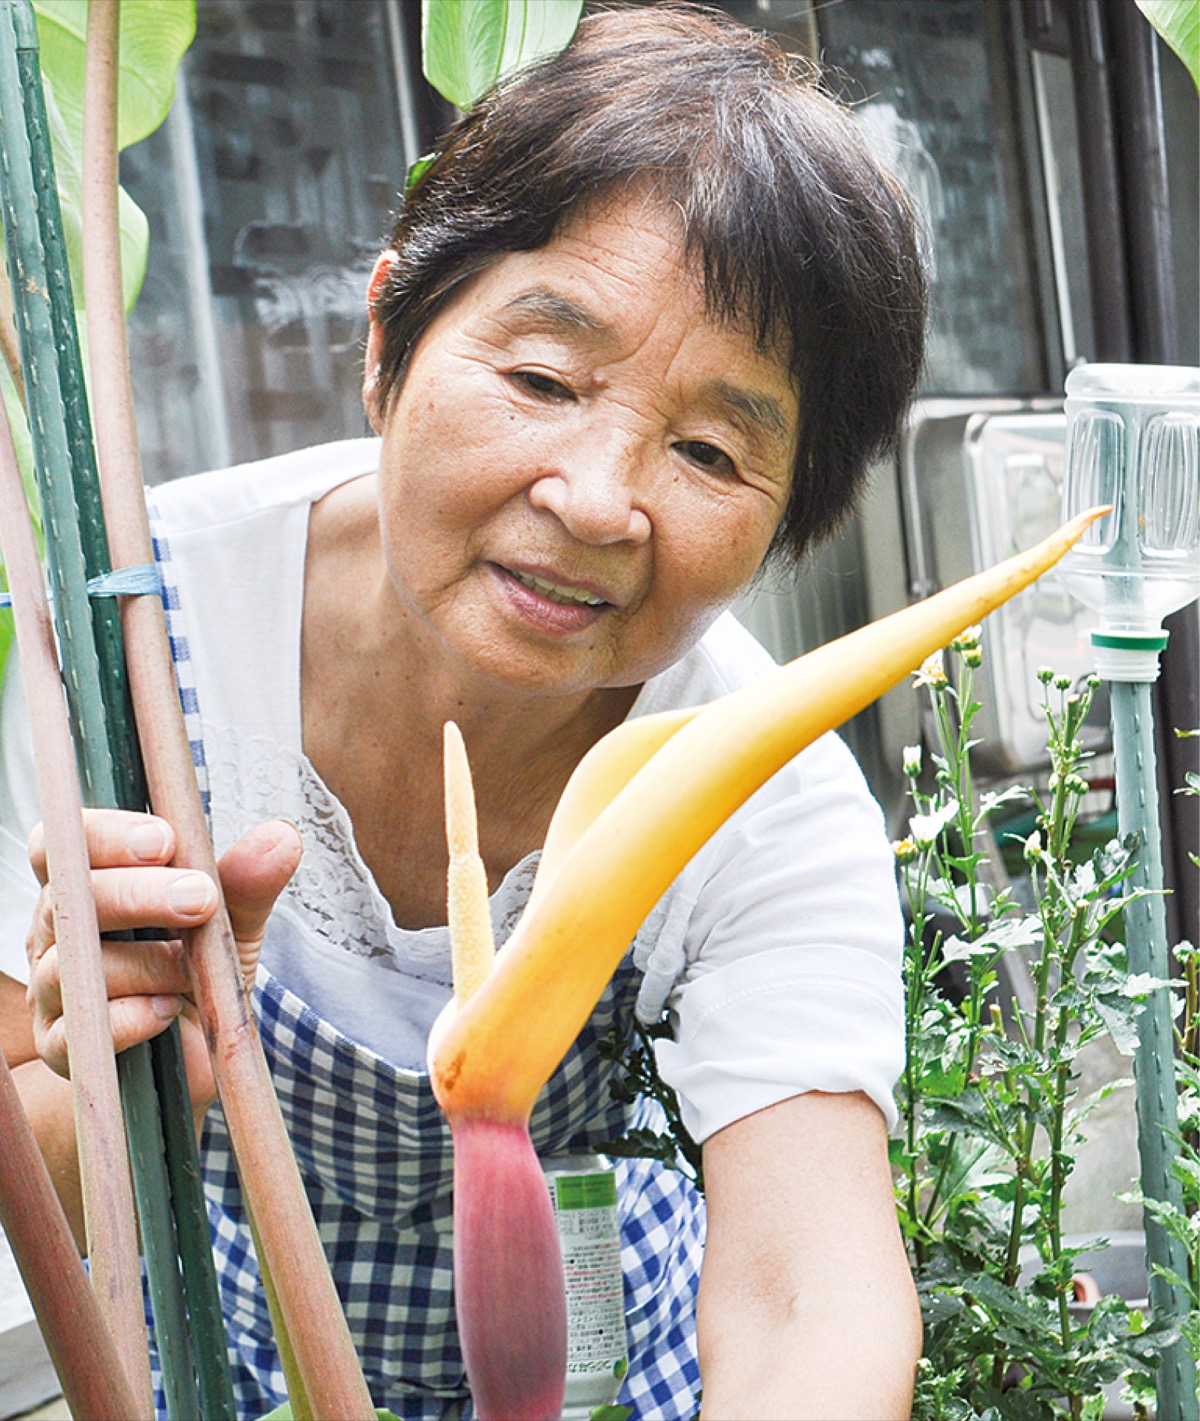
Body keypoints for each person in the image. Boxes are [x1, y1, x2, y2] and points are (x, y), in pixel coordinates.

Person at [0, 6, 927, 1417]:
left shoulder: (762, 790)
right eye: (545, 378)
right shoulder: (121, 654)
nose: (599, 498)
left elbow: (811, 1293)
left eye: (709, 448)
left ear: (790, 519)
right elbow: (34, 1150)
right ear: (385, 340)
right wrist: (126, 1087)